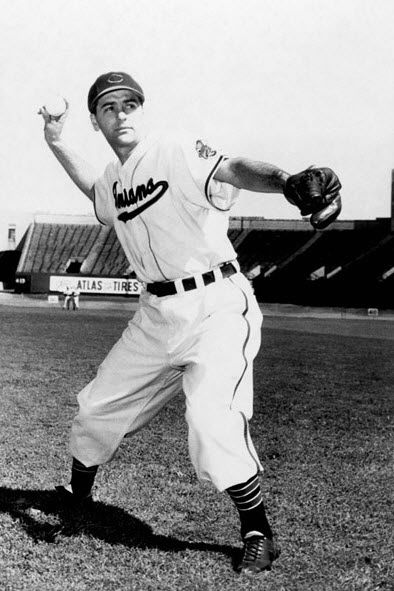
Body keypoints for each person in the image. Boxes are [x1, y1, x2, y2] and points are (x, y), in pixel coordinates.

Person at [39, 71, 341, 575]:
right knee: (96, 408)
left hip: (215, 306)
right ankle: (78, 496)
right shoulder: (114, 180)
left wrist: (285, 182)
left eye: (130, 103)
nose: (122, 113)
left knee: (211, 420)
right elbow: (95, 188)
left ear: (142, 109)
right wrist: (55, 142)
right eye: (109, 107)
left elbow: (233, 168)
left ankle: (259, 532)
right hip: (154, 316)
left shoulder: (174, 148)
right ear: (96, 121)